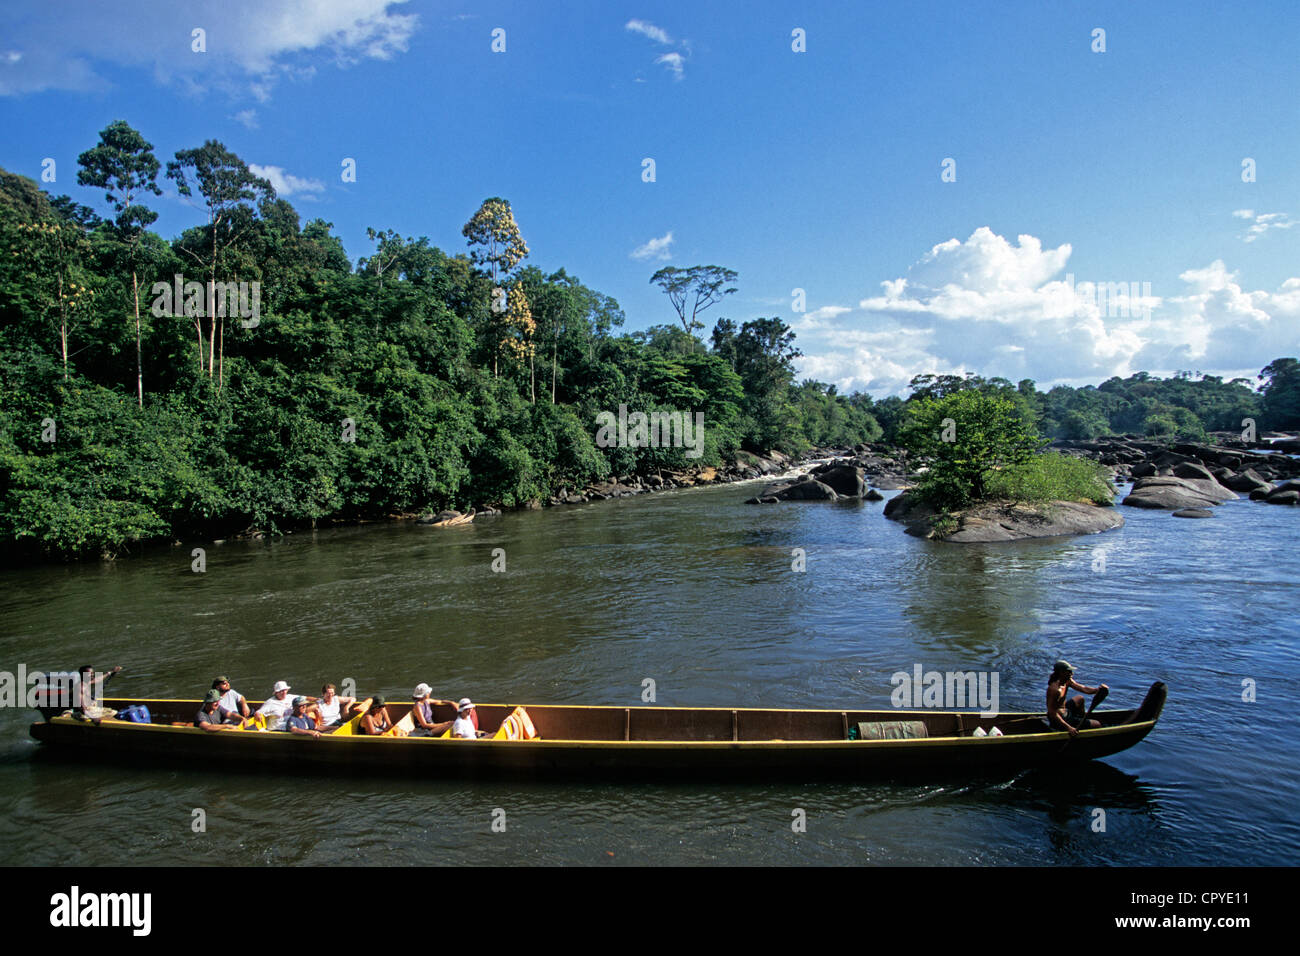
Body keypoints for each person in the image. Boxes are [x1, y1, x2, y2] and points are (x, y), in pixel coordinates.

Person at [1047, 660, 1108, 737]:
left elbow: (1083, 688)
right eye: (1069, 672)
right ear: (1061, 673)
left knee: (1080, 699)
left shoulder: (1067, 680)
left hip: (1065, 711)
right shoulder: (1055, 690)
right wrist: (1069, 728)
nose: (1072, 674)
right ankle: (1078, 725)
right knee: (1097, 724)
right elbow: (1052, 713)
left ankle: (1081, 722)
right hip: (1059, 720)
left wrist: (1097, 690)